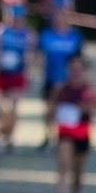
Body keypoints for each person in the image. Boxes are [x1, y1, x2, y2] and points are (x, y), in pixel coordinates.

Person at [49, 54, 96, 193]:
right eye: (72, 69)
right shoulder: (60, 88)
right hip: (65, 133)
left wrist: (87, 109)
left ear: (84, 70)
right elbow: (51, 108)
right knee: (63, 167)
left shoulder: (91, 90)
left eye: (79, 69)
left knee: (78, 171)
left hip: (82, 133)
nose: (75, 72)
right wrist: (55, 114)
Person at [37, 9, 83, 149]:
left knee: (64, 110)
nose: (59, 20)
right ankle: (47, 135)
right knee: (49, 108)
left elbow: (79, 59)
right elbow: (39, 55)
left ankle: (63, 137)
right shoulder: (46, 36)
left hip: (68, 80)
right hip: (50, 77)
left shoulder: (75, 36)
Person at [0, 6, 33, 150]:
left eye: (17, 18)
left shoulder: (27, 34)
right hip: (1, 73)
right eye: (12, 17)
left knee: (14, 108)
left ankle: (10, 138)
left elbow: (30, 54)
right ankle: (3, 129)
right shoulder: (0, 30)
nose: (14, 21)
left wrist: (27, 61)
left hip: (17, 74)